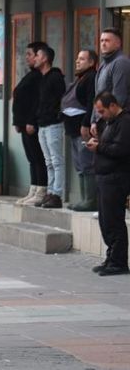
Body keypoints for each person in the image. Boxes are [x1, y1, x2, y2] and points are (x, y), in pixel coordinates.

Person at [86, 92, 130, 276]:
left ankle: (119, 261)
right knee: (105, 221)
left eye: (102, 111)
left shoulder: (125, 121)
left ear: (113, 106)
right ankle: (111, 257)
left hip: (116, 177)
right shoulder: (109, 122)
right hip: (104, 177)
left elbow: (121, 149)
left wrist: (99, 147)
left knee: (114, 220)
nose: (101, 115)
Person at [12, 42, 48, 206]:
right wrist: (17, 121)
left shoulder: (39, 77)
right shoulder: (31, 74)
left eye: (30, 55)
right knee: (31, 157)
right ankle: (33, 188)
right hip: (23, 123)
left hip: (31, 123)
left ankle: (41, 190)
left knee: (38, 157)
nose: (27, 58)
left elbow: (37, 101)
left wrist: (31, 121)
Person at [61, 50, 97, 211]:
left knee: (87, 163)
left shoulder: (91, 78)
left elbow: (91, 103)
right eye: (77, 58)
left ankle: (90, 200)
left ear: (91, 62)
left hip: (83, 129)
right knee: (79, 164)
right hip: (73, 129)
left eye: (82, 59)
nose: (77, 61)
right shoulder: (80, 79)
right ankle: (84, 198)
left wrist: (86, 124)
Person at [33, 45, 66, 208]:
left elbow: (62, 99)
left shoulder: (55, 77)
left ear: (45, 58)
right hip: (43, 124)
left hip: (53, 124)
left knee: (56, 160)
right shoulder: (42, 78)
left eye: (37, 55)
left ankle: (57, 194)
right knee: (48, 162)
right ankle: (50, 192)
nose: (35, 58)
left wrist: (56, 114)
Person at [91, 28, 130, 138]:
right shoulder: (104, 64)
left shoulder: (121, 63)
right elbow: (97, 95)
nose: (103, 44)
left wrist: (108, 123)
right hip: (103, 120)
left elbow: (119, 97)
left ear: (118, 44)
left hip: (114, 122)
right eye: (101, 40)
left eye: (107, 41)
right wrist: (94, 120)